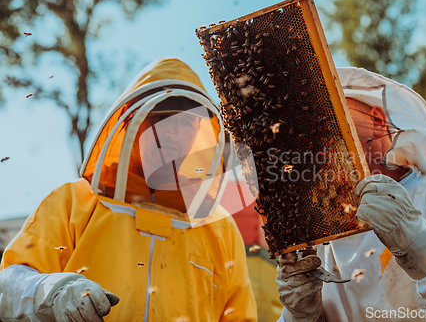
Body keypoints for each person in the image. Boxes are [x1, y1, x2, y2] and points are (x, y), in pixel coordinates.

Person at [0, 58, 257, 322]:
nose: (173, 134)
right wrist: (54, 293)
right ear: (133, 123)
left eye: (186, 123)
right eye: (161, 120)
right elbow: (9, 285)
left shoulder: (219, 228)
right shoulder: (72, 202)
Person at [276, 67, 426, 321]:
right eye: (311, 131)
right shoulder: (323, 238)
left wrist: (422, 245)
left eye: (333, 117)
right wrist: (300, 315)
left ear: (378, 120)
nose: (323, 137)